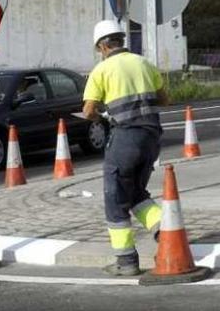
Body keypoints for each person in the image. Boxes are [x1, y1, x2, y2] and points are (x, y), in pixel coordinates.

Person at [83, 20, 169, 276]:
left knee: (115, 198)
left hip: (125, 139)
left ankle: (126, 261)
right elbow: (165, 99)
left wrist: (102, 112)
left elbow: (88, 111)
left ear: (102, 46)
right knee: (134, 192)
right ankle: (167, 233)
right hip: (152, 137)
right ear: (120, 40)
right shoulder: (144, 63)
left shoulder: (102, 70)